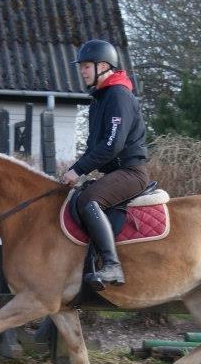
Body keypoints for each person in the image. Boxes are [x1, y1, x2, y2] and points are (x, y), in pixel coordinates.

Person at [62, 39, 148, 289]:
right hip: (116, 172)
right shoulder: (100, 99)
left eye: (86, 66)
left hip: (131, 172)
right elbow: (93, 147)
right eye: (82, 66)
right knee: (79, 197)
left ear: (103, 66)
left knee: (90, 200)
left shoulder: (118, 95)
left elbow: (112, 145)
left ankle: (112, 266)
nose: (82, 71)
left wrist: (77, 170)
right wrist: (74, 172)